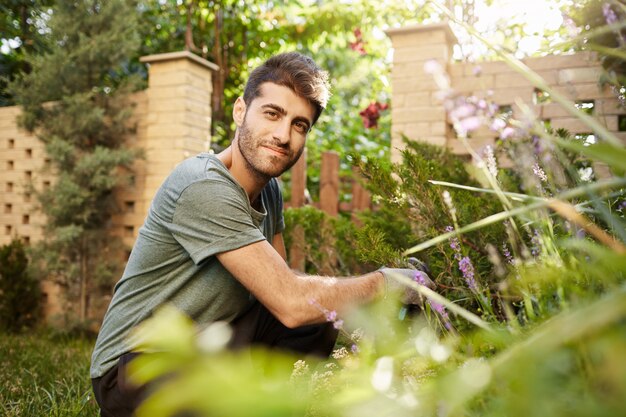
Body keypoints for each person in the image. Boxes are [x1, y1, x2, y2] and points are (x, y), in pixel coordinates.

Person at [90, 51, 431, 417]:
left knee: (316, 321)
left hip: (208, 342)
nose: (283, 135)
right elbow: (290, 301)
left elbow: (283, 290)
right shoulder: (202, 185)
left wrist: (368, 321)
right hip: (135, 366)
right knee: (302, 308)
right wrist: (385, 284)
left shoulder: (269, 191)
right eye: (273, 113)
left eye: (300, 125)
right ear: (241, 111)